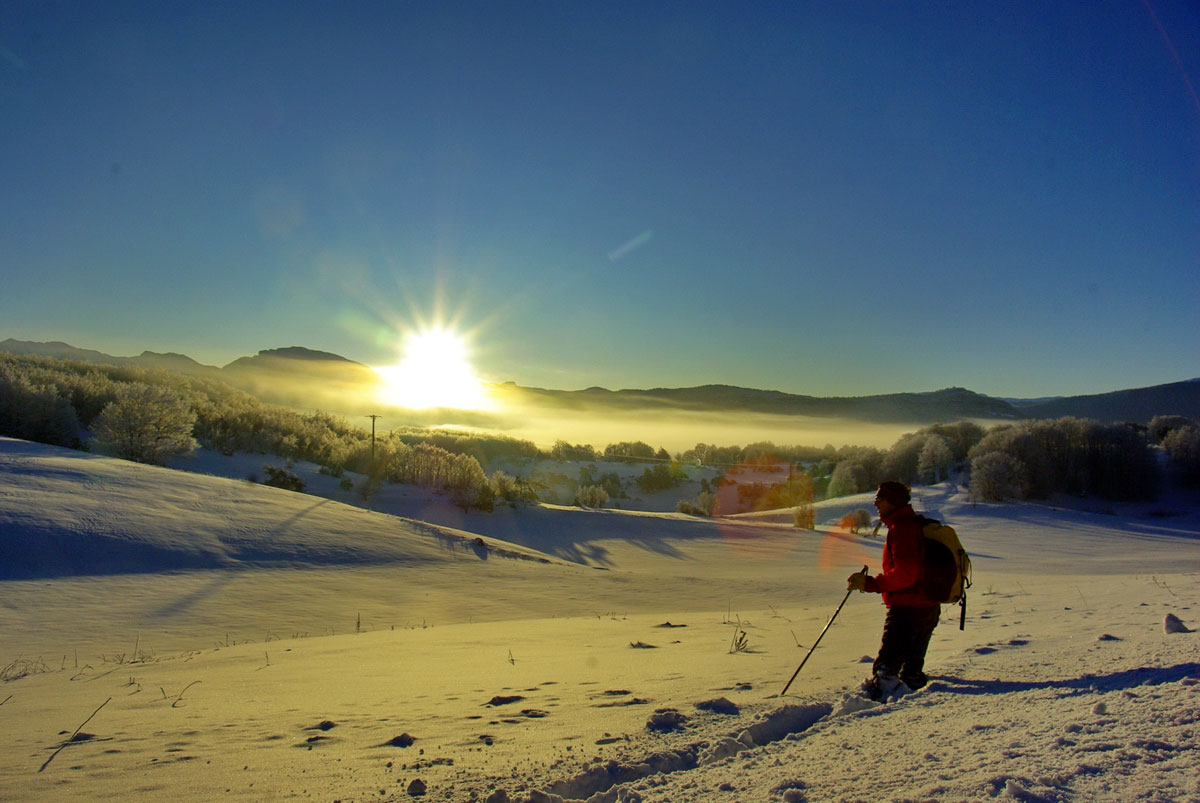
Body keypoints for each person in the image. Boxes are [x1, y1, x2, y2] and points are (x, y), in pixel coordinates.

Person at [847, 481, 941, 700]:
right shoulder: (914, 524)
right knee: (911, 673)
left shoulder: (903, 529)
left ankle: (874, 717)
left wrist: (869, 584)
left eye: (880, 499)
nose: (875, 503)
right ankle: (911, 715)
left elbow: (905, 574)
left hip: (907, 610)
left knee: (886, 672)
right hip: (927, 605)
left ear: (893, 502)